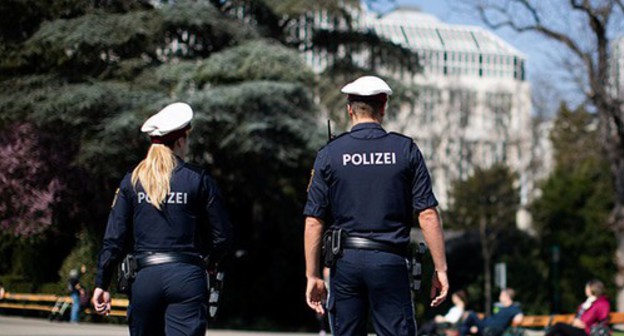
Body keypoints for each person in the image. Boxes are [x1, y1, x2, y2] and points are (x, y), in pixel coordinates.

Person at [304, 75, 449, 336]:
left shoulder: (330, 154)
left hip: (345, 262)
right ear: (383, 108)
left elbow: (314, 220)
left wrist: (312, 275)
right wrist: (440, 269)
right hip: (390, 260)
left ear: (349, 109)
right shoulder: (405, 150)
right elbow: (427, 214)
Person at [91, 102, 233, 336]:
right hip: (187, 276)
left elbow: (114, 238)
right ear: (179, 141)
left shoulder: (132, 180)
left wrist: (101, 283)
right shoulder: (199, 179)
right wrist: (209, 262)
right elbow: (223, 235)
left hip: (144, 277)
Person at [546, 280, 610, 336]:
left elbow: (603, 319)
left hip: (588, 331)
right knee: (559, 333)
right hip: (578, 329)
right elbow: (578, 316)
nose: (586, 290)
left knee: (559, 325)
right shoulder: (586, 303)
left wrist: (585, 324)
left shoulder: (602, 302)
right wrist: (574, 322)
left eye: (587, 288)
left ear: (593, 288)